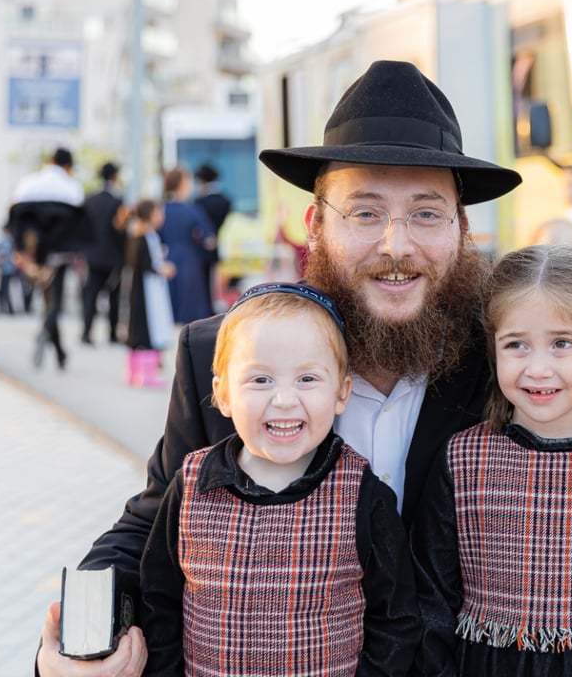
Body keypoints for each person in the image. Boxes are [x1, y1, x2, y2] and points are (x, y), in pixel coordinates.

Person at [35, 60, 572, 677]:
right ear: (316, 229)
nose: (395, 245)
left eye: (426, 213)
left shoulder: (515, 357)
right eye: (365, 211)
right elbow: (153, 524)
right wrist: (74, 645)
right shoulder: (228, 359)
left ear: (463, 234)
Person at [138, 283, 420, 676]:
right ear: (222, 395)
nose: (285, 399)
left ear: (342, 392)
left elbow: (395, 618)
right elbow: (159, 604)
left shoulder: (363, 494)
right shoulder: (190, 486)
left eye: (307, 379)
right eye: (260, 380)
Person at [413, 244, 572, 676]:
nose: (538, 368)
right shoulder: (463, 458)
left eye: (562, 343)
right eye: (517, 345)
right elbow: (432, 594)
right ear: (494, 349)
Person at [9, 147, 86, 371]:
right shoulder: (73, 188)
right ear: (68, 166)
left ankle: (59, 350)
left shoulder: (27, 183)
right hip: (59, 254)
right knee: (55, 302)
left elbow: (14, 217)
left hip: (32, 254)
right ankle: (47, 334)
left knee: (46, 301)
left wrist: (19, 249)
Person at [124, 200, 176, 388]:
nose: (161, 217)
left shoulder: (137, 234)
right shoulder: (144, 236)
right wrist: (163, 269)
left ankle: (134, 372)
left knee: (138, 328)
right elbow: (146, 264)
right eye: (158, 213)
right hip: (147, 292)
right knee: (147, 327)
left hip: (143, 290)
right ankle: (146, 375)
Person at [158, 166, 216, 325]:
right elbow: (209, 239)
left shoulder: (161, 209)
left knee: (170, 306)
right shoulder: (192, 210)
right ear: (182, 184)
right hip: (189, 261)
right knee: (191, 310)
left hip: (167, 259)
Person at [81, 162, 127, 346]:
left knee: (91, 294)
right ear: (114, 176)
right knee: (114, 296)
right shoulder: (117, 202)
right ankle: (113, 334)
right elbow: (120, 230)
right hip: (113, 257)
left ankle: (86, 332)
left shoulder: (89, 200)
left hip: (92, 255)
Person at [193, 162, 232, 311]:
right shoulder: (226, 201)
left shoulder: (199, 202)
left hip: (201, 248)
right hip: (220, 247)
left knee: (203, 283)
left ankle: (207, 309)